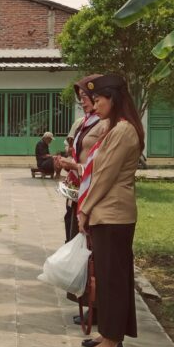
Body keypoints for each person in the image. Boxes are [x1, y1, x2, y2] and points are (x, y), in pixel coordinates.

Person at [71, 73, 144, 347]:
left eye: (99, 100)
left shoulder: (124, 131)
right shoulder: (113, 129)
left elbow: (104, 176)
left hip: (113, 214)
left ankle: (113, 342)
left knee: (112, 279)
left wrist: (85, 209)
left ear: (113, 100)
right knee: (106, 275)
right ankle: (108, 333)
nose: (95, 105)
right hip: (107, 214)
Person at [58, 74, 107, 241]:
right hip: (77, 187)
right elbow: (76, 149)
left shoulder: (105, 125)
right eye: (80, 98)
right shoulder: (82, 122)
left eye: (85, 97)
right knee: (70, 231)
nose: (82, 102)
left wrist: (76, 166)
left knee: (85, 240)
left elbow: (102, 162)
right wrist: (69, 164)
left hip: (92, 190)